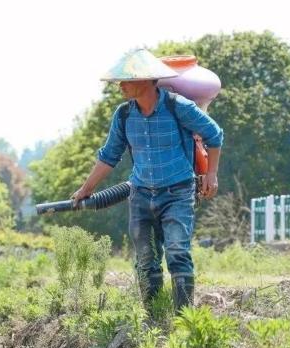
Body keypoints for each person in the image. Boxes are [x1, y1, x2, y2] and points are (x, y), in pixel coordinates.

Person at [72, 49, 224, 311]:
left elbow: (214, 134)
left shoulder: (178, 107)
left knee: (177, 252)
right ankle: (154, 315)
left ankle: (183, 318)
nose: (120, 86)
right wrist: (86, 189)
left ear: (145, 81)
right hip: (141, 194)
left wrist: (211, 174)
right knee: (146, 259)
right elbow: (109, 156)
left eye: (126, 80)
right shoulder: (123, 116)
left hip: (178, 192)